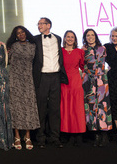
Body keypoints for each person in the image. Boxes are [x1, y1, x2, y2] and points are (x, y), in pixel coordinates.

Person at [32, 17, 67, 148]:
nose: (39, 25)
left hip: (56, 77)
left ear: (48, 25)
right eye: (38, 23)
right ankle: (40, 138)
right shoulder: (35, 39)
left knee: (55, 109)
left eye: (41, 23)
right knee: (41, 108)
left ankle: (55, 137)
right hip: (42, 77)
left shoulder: (57, 38)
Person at [6, 26, 39, 150]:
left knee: (28, 107)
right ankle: (17, 136)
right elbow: (7, 61)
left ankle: (28, 136)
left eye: (22, 32)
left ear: (26, 33)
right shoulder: (13, 46)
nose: (21, 35)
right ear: (15, 35)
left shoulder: (33, 46)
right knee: (16, 107)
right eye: (18, 33)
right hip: (15, 80)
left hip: (28, 80)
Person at [82, 28, 112, 147]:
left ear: (95, 36)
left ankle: (104, 135)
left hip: (101, 81)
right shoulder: (83, 50)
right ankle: (96, 135)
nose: (90, 37)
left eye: (92, 35)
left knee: (103, 106)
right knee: (91, 107)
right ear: (85, 37)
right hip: (88, 81)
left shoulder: (103, 48)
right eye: (88, 35)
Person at [60, 30, 85, 146]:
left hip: (76, 82)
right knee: (66, 109)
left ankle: (78, 135)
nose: (70, 39)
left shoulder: (80, 52)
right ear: (64, 38)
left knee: (77, 109)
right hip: (64, 83)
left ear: (75, 39)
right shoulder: (60, 51)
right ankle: (69, 134)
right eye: (68, 37)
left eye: (72, 37)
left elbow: (85, 67)